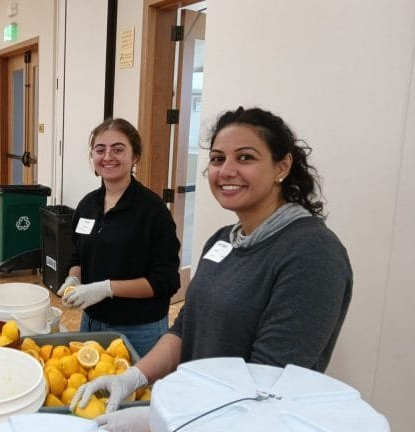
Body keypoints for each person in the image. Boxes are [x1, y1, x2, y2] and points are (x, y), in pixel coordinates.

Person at [71, 107, 353, 431]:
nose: (226, 170)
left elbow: (266, 382)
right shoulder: (223, 240)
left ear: (282, 166)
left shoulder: (312, 253)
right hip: (195, 411)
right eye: (218, 159)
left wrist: (159, 421)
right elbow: (185, 326)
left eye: (245, 157)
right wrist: (134, 376)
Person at [56, 118, 180, 357]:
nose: (108, 156)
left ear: (135, 156)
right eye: (100, 150)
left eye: (118, 149)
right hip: (92, 321)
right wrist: (74, 279)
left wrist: (107, 288)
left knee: (137, 383)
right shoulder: (87, 205)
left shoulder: (153, 211)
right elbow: (77, 256)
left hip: (139, 329)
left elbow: (166, 281)